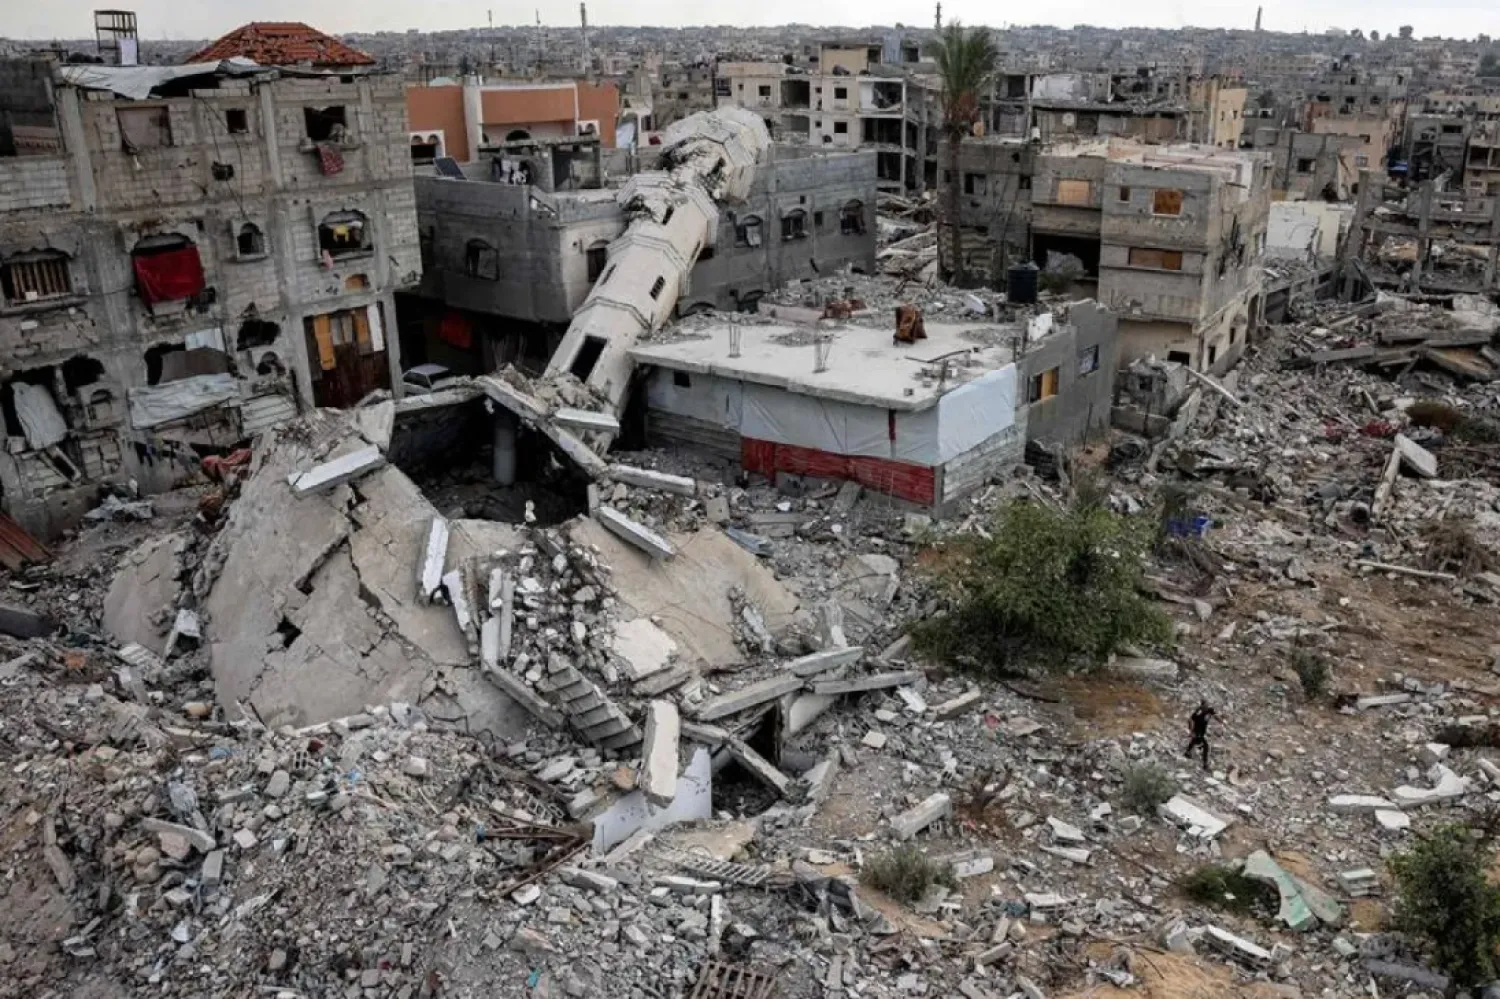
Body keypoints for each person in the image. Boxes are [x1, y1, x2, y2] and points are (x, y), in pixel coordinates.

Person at [1185, 701, 1216, 769]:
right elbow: (1190, 719)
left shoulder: (1209, 710)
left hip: (1202, 732)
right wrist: (1191, 730)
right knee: (1205, 746)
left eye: (1207, 705)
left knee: (1195, 741)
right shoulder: (1198, 712)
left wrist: (1222, 722)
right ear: (1202, 706)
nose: (1206, 706)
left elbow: (1215, 715)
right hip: (1197, 731)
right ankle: (1205, 764)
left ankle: (1188, 752)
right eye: (1205, 705)